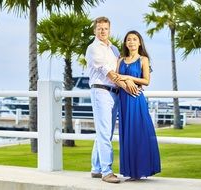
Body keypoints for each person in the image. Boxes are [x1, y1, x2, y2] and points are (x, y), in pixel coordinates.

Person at [85, 16, 130, 183]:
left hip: (115, 93)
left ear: (109, 30)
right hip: (101, 92)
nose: (102, 31)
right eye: (99, 29)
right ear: (94, 30)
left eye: (105, 28)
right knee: (104, 132)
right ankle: (107, 172)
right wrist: (127, 85)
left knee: (106, 133)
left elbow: (120, 67)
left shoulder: (114, 49)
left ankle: (96, 168)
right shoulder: (93, 48)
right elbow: (108, 72)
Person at [115, 30, 161, 181]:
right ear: (125, 43)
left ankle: (141, 169)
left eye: (134, 39)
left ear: (139, 42)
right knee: (126, 135)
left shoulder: (143, 59)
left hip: (136, 100)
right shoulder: (120, 60)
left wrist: (128, 78)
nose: (131, 42)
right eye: (129, 39)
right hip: (123, 101)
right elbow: (116, 78)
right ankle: (131, 172)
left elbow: (146, 81)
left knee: (138, 133)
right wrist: (125, 82)